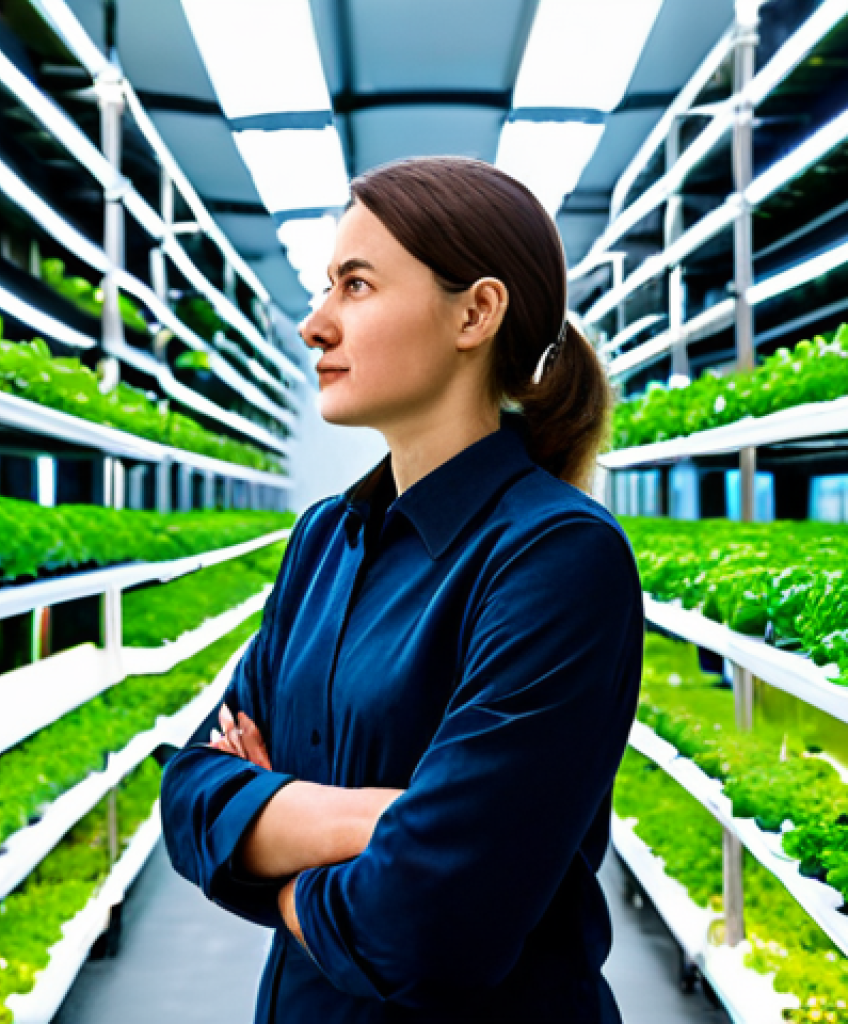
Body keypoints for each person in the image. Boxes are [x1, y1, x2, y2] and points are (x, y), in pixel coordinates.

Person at [160, 155, 644, 1023]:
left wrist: (265, 847)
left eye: (355, 286)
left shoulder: (558, 558)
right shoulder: (324, 538)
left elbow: (429, 926)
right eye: (324, 287)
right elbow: (189, 794)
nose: (314, 325)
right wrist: (379, 820)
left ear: (475, 312)